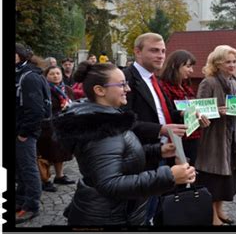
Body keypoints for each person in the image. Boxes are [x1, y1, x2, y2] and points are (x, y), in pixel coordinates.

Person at [53, 61, 196, 225]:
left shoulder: (106, 118)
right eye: (121, 85)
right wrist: (169, 176)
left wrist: (157, 151)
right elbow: (110, 184)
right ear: (100, 90)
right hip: (109, 218)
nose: (127, 89)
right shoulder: (101, 129)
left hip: (116, 212)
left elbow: (119, 156)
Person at [122, 32, 188, 225]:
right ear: (137, 52)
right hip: (140, 156)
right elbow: (125, 122)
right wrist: (160, 130)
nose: (160, 55)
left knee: (154, 207)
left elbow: (167, 113)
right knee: (137, 212)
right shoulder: (126, 78)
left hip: (163, 153)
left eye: (163, 51)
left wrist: (187, 115)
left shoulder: (154, 80)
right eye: (154, 51)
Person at [195, 45, 236, 225]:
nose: (232, 65)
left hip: (234, 137)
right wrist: (218, 111)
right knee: (213, 180)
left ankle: (219, 209)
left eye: (235, 61)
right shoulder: (208, 82)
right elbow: (199, 111)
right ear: (217, 63)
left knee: (228, 179)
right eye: (228, 62)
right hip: (214, 140)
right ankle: (211, 215)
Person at [15, 43, 52, 224]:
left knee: (28, 168)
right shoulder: (20, 73)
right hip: (18, 129)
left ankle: (31, 205)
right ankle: (20, 200)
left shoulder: (28, 77)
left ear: (17, 56)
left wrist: (24, 133)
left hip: (25, 132)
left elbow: (36, 110)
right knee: (20, 168)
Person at [159, 50, 210, 166]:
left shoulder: (186, 87)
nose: (191, 70)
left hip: (193, 137)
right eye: (188, 66)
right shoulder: (164, 86)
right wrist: (183, 113)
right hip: (177, 139)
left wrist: (200, 119)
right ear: (175, 65)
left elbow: (193, 110)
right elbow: (167, 113)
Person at [37, 66, 76, 193]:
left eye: (58, 73)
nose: (55, 76)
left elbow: (74, 103)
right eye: (52, 74)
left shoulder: (68, 89)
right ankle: (44, 180)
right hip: (48, 125)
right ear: (46, 75)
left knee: (61, 152)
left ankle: (59, 176)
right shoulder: (43, 88)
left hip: (64, 125)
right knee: (46, 153)